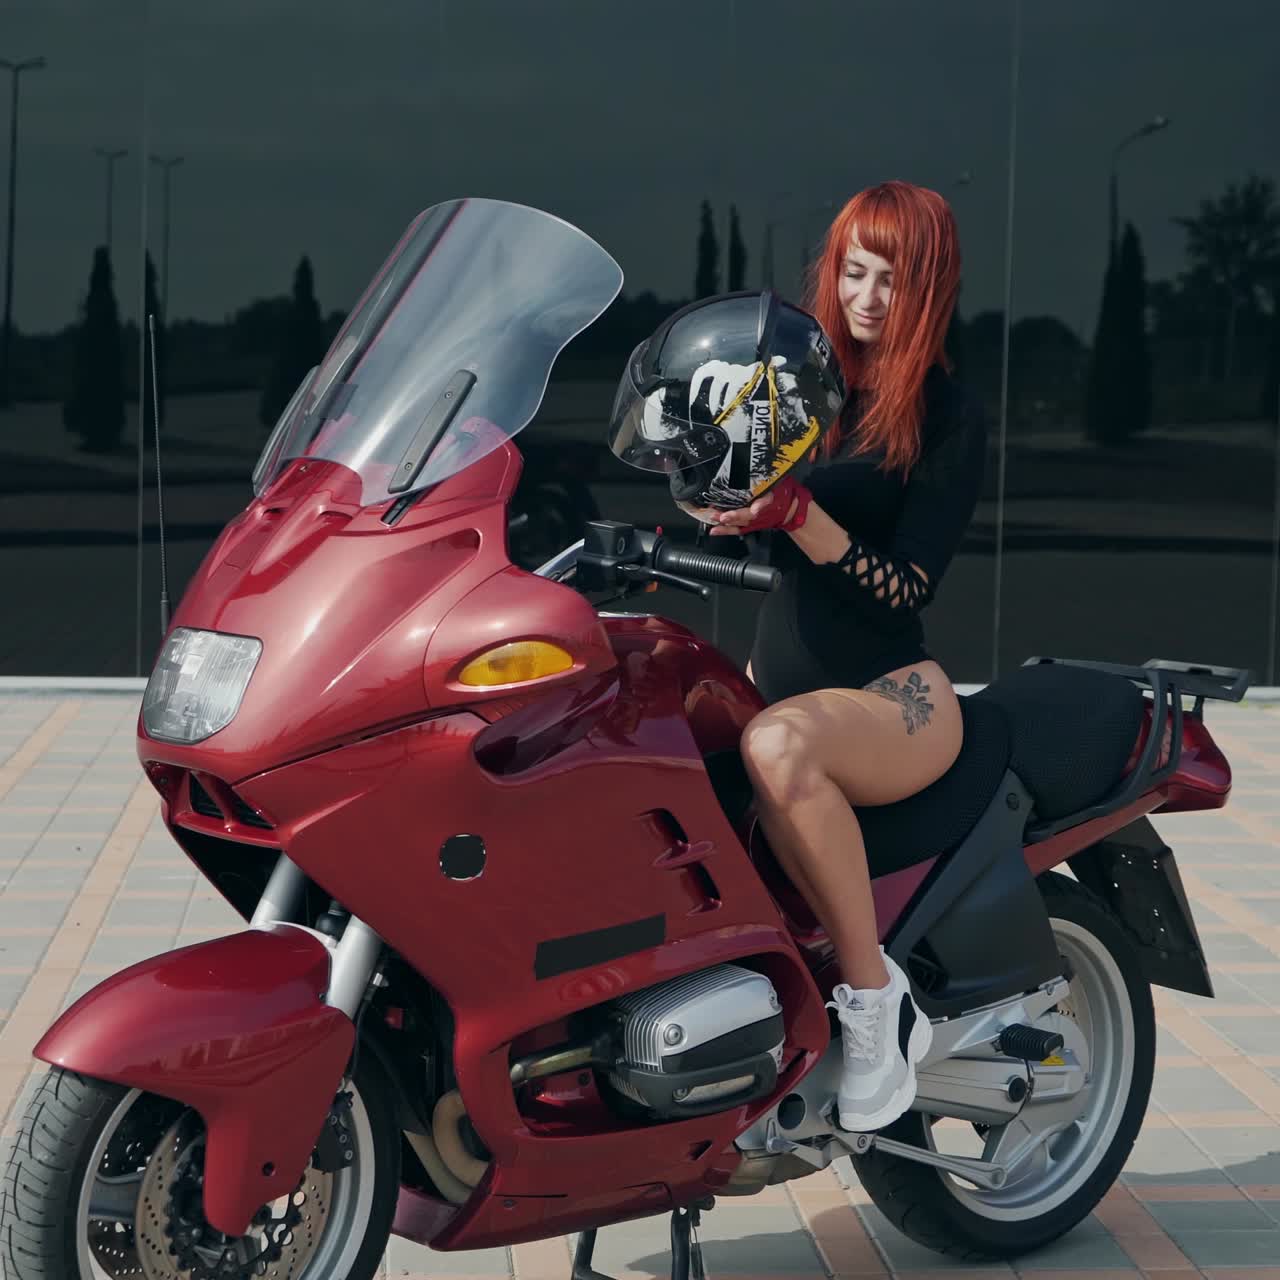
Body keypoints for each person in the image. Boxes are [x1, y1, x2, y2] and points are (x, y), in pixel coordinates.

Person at [703, 182, 984, 1132]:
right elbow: (733, 516)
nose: (865, 297)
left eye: (890, 280)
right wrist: (709, 486)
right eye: (854, 272)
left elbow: (905, 588)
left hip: (895, 699)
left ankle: (875, 1006)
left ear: (928, 288)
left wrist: (800, 515)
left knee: (779, 748)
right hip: (775, 688)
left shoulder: (945, 416)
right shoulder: (794, 389)